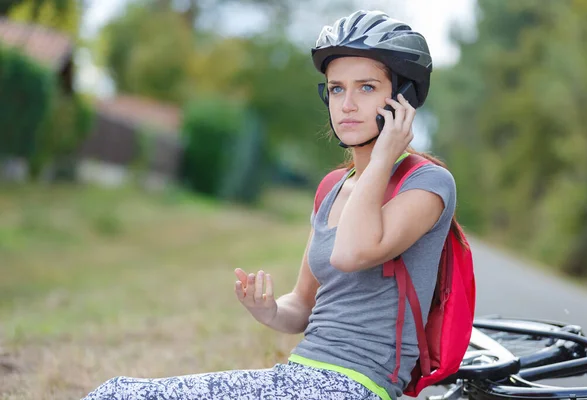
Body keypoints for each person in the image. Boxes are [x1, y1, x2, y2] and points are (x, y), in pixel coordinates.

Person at [81, 9, 456, 400]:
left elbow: (351, 252)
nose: (346, 104)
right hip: (299, 375)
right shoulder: (332, 187)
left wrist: (382, 158)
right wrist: (271, 311)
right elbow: (303, 302)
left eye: (366, 88)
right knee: (115, 392)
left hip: (357, 386)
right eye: (336, 88)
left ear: (403, 98)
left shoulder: (426, 183)